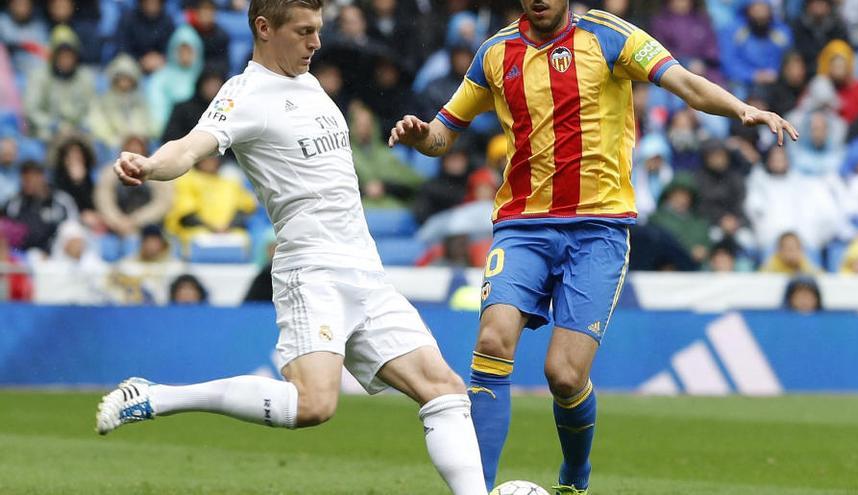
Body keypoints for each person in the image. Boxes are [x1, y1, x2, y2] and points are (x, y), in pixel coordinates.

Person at [388, 1, 797, 492]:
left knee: (563, 374)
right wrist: (421, 135)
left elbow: (684, 82)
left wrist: (742, 108)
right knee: (493, 342)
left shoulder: (610, 37)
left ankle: (575, 476)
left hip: (598, 229)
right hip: (523, 225)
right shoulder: (494, 54)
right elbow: (442, 135)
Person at [95, 2, 487, 494]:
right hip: (312, 269)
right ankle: (158, 396)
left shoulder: (311, 82)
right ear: (264, 28)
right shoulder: (245, 93)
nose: (316, 43)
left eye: (318, 30)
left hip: (365, 269)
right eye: (304, 32)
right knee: (313, 405)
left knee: (446, 392)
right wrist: (151, 165)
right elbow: (190, 147)